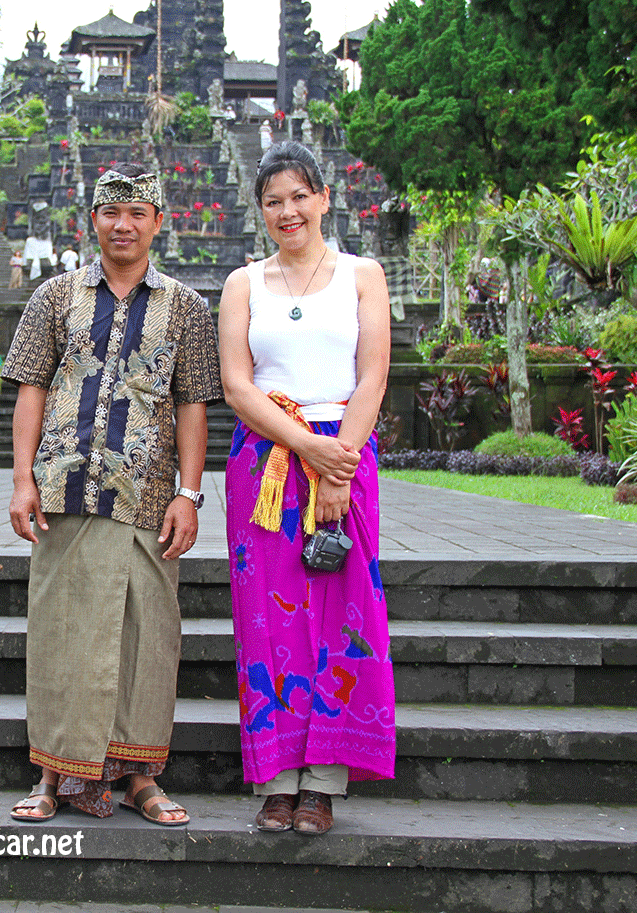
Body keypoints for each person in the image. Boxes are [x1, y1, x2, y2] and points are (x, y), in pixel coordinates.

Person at [2, 164, 223, 826]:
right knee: (61, 631)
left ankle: (140, 777)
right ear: (91, 219)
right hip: (64, 489)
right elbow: (31, 387)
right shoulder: (54, 296)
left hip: (149, 498)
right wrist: (21, 480)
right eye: (110, 212)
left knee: (146, 635)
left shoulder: (185, 306)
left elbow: (193, 406)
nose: (123, 224)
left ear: (159, 221)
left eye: (137, 212)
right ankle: (51, 771)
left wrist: (190, 493)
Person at [218, 141, 396, 836]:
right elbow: (238, 385)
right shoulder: (244, 284)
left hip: (345, 455)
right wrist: (306, 450)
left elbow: (372, 375)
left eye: (299, 196)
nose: (287, 211)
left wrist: (336, 465)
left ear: (324, 198)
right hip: (266, 461)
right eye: (273, 201)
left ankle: (323, 782)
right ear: (260, 211)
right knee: (269, 619)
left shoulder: (362, 275)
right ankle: (276, 779)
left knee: (342, 612)